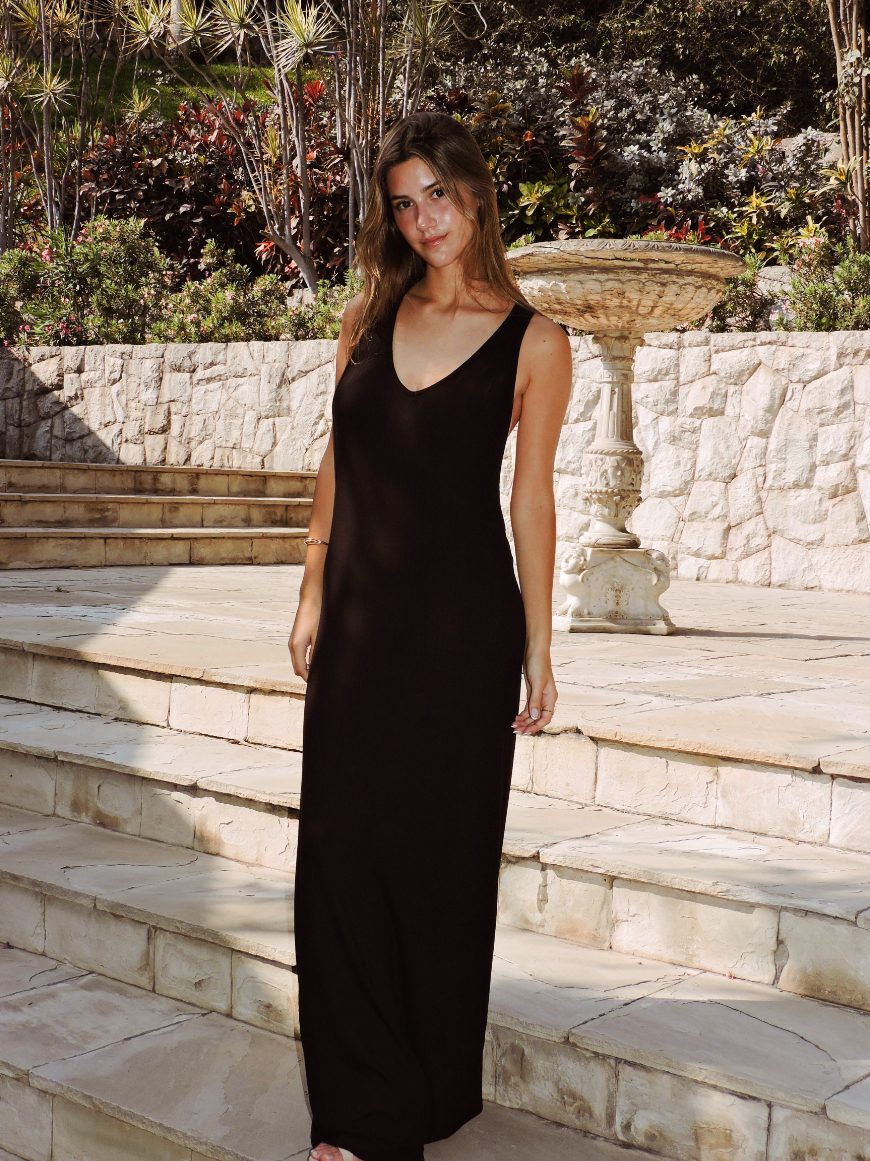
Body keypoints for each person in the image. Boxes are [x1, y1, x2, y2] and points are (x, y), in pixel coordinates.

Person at [288, 108, 573, 1161]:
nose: (423, 220)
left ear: (476, 194)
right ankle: (359, 1110)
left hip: (463, 635)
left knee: (441, 859)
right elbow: (339, 458)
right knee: (341, 853)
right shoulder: (367, 319)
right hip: (363, 624)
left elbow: (530, 501)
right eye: (404, 205)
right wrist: (312, 585)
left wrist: (539, 644)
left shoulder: (536, 341)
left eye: (437, 196)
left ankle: (428, 1087)